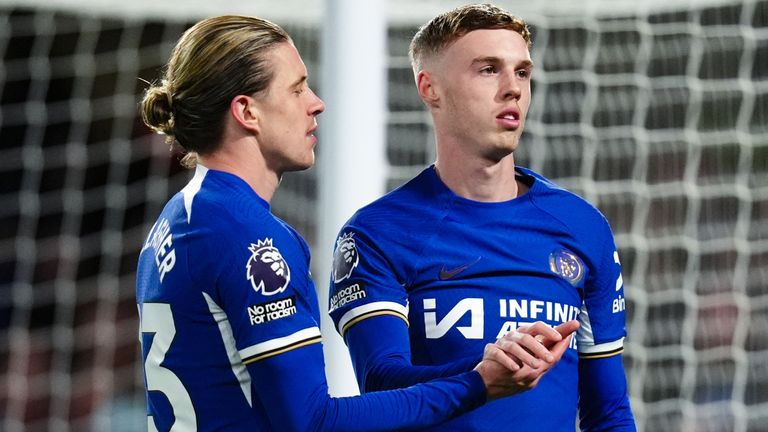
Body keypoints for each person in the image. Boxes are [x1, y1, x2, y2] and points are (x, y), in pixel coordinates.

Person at [135, 15, 578, 431]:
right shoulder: (251, 239)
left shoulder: (175, 223)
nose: (317, 104)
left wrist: (481, 368)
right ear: (247, 112)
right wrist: (477, 385)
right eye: (297, 89)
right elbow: (313, 420)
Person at [328, 4, 636, 431]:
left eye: (523, 72)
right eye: (488, 70)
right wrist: (486, 373)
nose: (512, 89)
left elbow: (610, 413)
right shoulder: (377, 233)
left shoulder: (582, 227)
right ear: (429, 87)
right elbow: (381, 383)